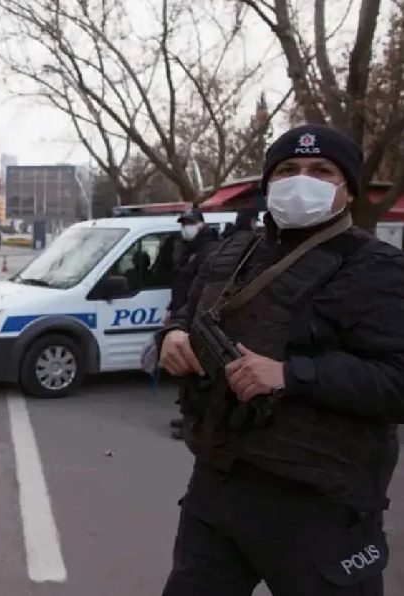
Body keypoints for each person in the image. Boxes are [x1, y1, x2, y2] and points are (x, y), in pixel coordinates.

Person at [158, 123, 404, 596]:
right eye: (287, 169)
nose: (300, 180)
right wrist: (172, 337)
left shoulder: (379, 270)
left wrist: (291, 375)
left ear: (347, 189)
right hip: (219, 487)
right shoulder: (231, 253)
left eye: (320, 170)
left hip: (320, 508)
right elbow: (186, 316)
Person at [168, 206, 221, 440]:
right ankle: (187, 415)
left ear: (200, 224)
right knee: (187, 375)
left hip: (197, 318)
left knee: (197, 372)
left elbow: (203, 288)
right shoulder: (190, 249)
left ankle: (195, 423)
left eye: (189, 223)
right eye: (183, 223)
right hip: (184, 315)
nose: (185, 228)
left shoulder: (208, 250)